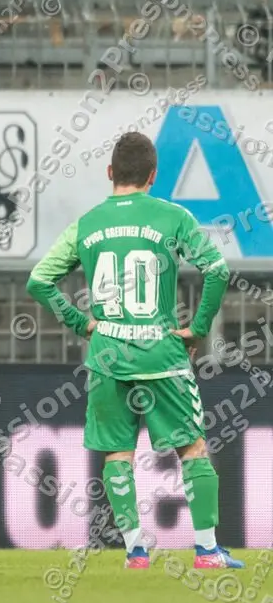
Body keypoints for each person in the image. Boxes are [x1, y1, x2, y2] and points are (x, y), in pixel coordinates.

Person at [26, 131, 242, 570]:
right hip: (162, 353)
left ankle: (136, 552)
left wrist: (82, 323)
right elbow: (217, 271)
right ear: (153, 176)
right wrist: (198, 328)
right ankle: (206, 551)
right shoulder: (172, 217)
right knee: (193, 449)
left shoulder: (86, 224)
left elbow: (39, 280)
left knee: (117, 454)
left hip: (108, 354)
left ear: (110, 173)